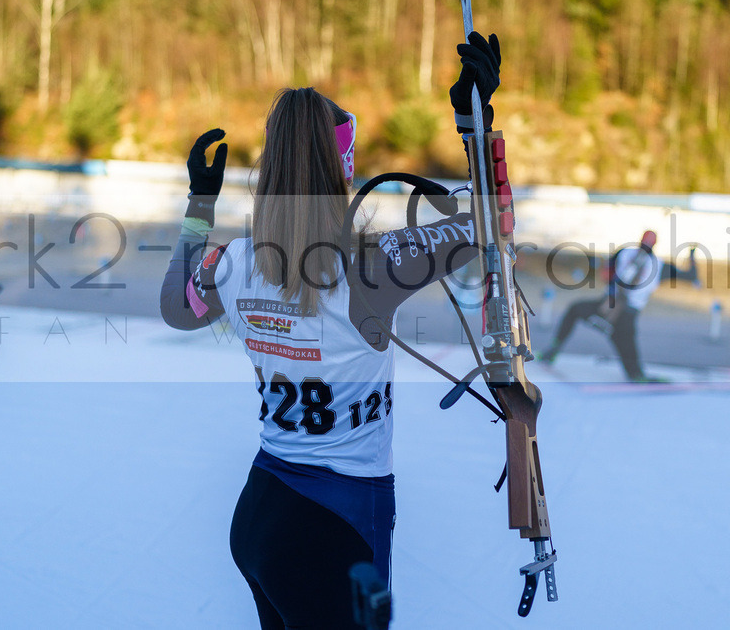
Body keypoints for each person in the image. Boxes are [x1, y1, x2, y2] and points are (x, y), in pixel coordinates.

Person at [159, 32, 501, 629]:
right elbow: (492, 227)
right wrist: (475, 128)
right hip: (340, 522)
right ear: (342, 167)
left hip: (262, 511)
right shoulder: (373, 268)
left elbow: (176, 308)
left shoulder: (236, 262)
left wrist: (199, 203)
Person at [538, 230, 698, 382]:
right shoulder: (659, 265)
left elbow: (606, 272)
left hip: (610, 308)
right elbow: (691, 275)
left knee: (576, 310)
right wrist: (692, 255)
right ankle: (636, 374)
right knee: (630, 360)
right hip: (620, 313)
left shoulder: (628, 253)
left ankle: (554, 349)